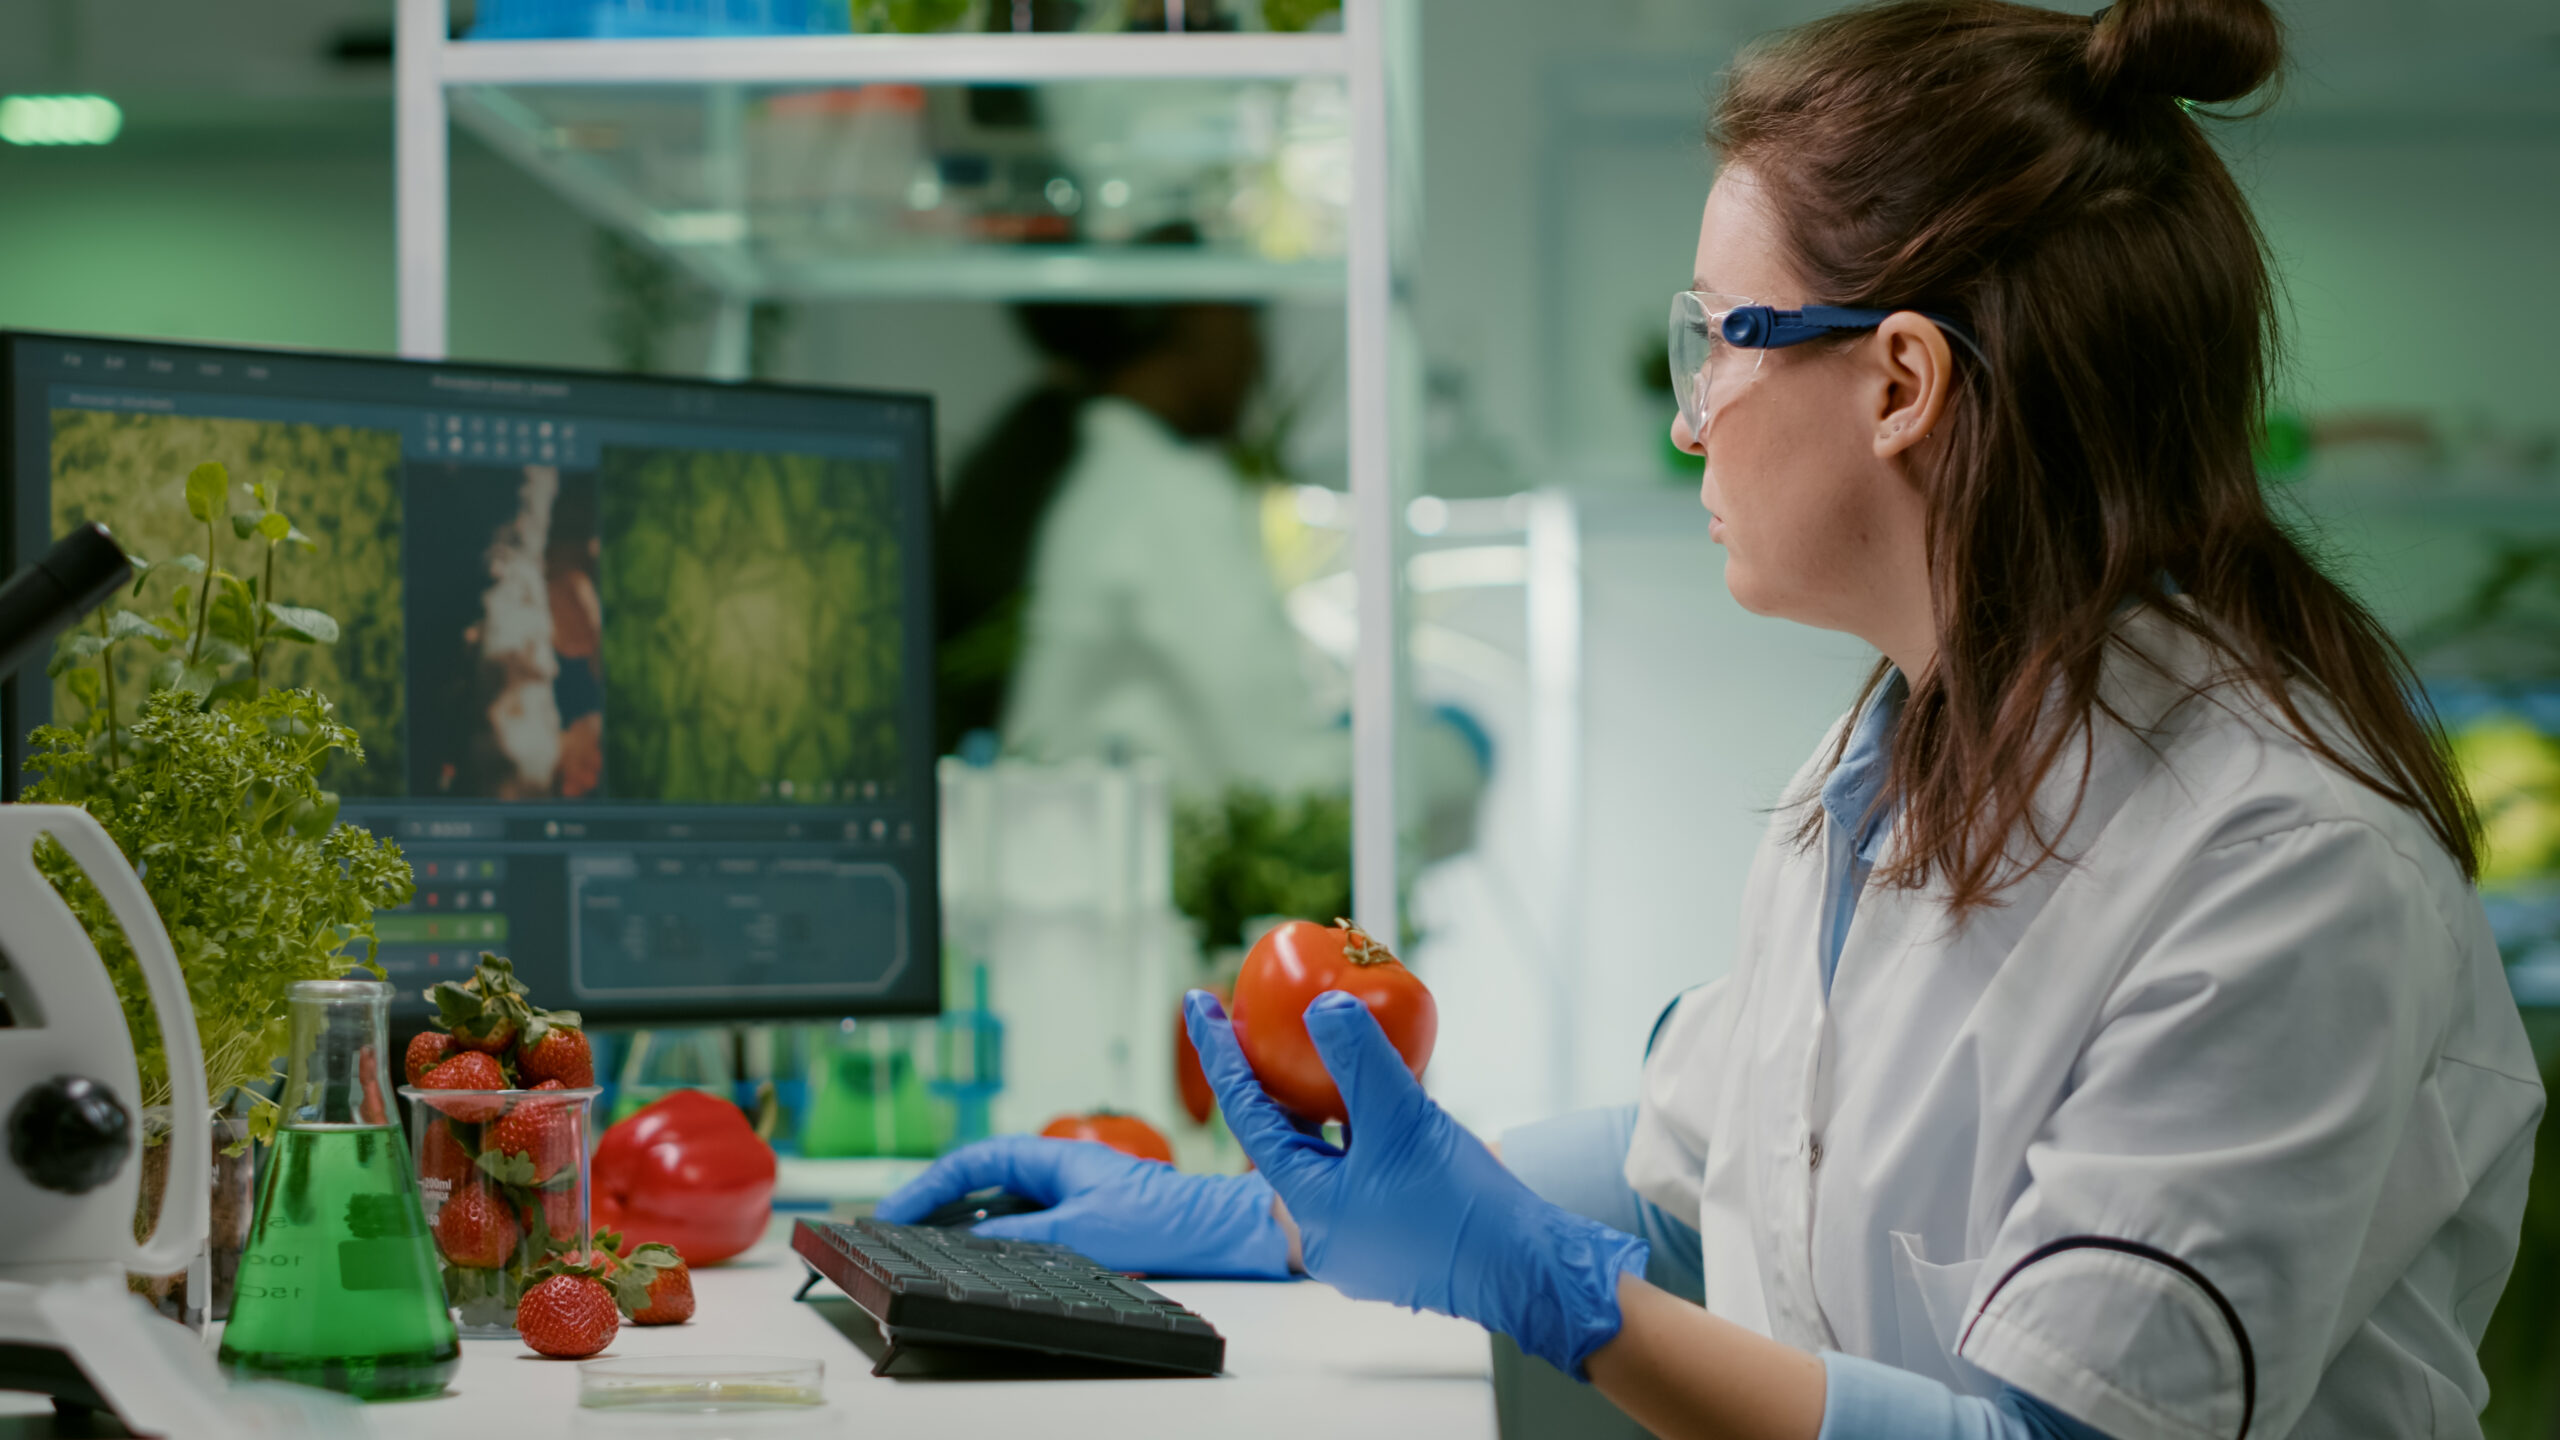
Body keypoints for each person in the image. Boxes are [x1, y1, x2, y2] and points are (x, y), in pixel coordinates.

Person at [883, 1, 2546, 1435]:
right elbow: (1701, 1171)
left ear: (1902, 383)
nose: (1695, 424)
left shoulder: (2282, 873)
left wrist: (1551, 1295)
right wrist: (1266, 1218)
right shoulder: (1890, 756)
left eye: (1719, 340)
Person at [935, 286, 1342, 798]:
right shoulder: (1163, 493)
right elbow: (1288, 774)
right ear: (1202, 313)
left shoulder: (1079, 463)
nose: (1257, 354)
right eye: (1248, 319)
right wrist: (1447, 750)